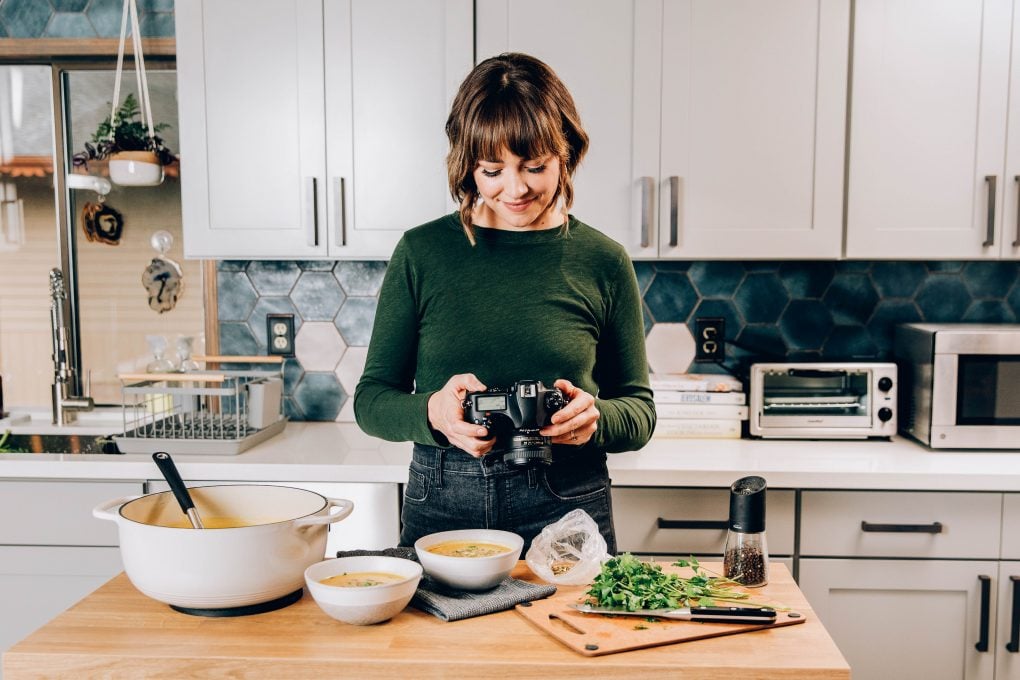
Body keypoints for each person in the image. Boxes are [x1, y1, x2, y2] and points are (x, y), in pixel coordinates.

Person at [353, 52, 656, 553]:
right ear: (466, 164)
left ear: (567, 153)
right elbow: (371, 401)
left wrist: (594, 419)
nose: (515, 189)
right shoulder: (422, 253)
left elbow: (639, 413)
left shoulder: (603, 260)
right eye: (492, 170)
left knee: (574, 632)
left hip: (567, 499)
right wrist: (435, 413)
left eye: (535, 166)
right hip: (445, 496)